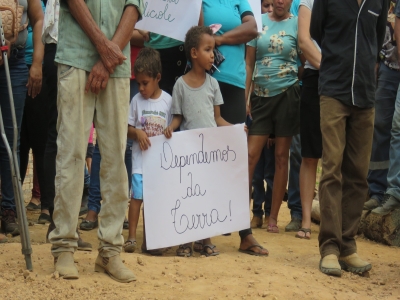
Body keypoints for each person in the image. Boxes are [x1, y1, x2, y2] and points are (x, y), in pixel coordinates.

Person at [48, 0, 143, 282]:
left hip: (116, 61)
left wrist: (107, 55)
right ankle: (64, 244)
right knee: (72, 153)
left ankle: (110, 251)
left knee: (115, 155)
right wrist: (104, 48)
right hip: (77, 54)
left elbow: (134, 5)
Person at [310, 0, 388, 276]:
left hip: (366, 95)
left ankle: (348, 246)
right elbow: (316, 31)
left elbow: (377, 39)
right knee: (332, 168)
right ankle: (330, 248)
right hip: (333, 89)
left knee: (358, 173)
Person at [203, 0, 268, 257]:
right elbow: (196, 35)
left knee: (237, 161)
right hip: (206, 81)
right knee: (203, 157)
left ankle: (244, 232)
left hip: (234, 83)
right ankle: (201, 233)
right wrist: (228, 37)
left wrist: (218, 40)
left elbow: (252, 28)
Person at [164, 26, 236, 257]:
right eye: (208, 49)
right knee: (188, 196)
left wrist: (236, 130)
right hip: (189, 154)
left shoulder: (213, 85)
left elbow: (217, 118)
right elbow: (177, 118)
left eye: (213, 50)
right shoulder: (180, 85)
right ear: (194, 53)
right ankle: (185, 240)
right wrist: (169, 130)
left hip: (209, 154)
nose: (213, 55)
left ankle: (205, 240)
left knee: (207, 196)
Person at [246, 0, 302, 235]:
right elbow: (249, 63)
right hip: (260, 95)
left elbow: (304, 61)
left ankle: (273, 217)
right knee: (251, 155)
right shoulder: (257, 23)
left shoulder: (299, 24)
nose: (280, 1)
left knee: (281, 156)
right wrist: (245, 97)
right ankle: (240, 213)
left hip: (288, 95)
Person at [0, 0, 44, 235]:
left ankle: (9, 209)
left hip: (15, 62)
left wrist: (37, 61)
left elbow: (38, 19)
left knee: (11, 140)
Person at [124, 47, 172, 256]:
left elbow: (173, 127)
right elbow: (126, 129)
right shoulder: (135, 101)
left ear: (157, 78)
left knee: (154, 201)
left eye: (145, 83)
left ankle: (150, 240)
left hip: (159, 165)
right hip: (140, 163)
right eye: (138, 83)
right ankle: (132, 237)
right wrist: (138, 134)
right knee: (137, 198)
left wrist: (171, 130)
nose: (141, 88)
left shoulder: (168, 101)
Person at [366, 1, 400, 210]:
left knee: (397, 127)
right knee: (380, 125)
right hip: (387, 66)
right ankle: (377, 189)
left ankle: (393, 191)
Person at [296, 0, 322, 239]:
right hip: (315, 77)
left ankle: (334, 220)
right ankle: (306, 219)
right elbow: (304, 42)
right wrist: (328, 67)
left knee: (339, 154)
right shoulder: (307, 1)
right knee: (310, 153)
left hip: (344, 80)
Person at [250, 0, 276, 230]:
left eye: (271, 5)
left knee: (271, 170)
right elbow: (249, 66)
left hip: (275, 104)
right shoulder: (254, 30)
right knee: (256, 169)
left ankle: (269, 213)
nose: (268, 9)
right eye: (264, 5)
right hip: (256, 102)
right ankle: (255, 211)